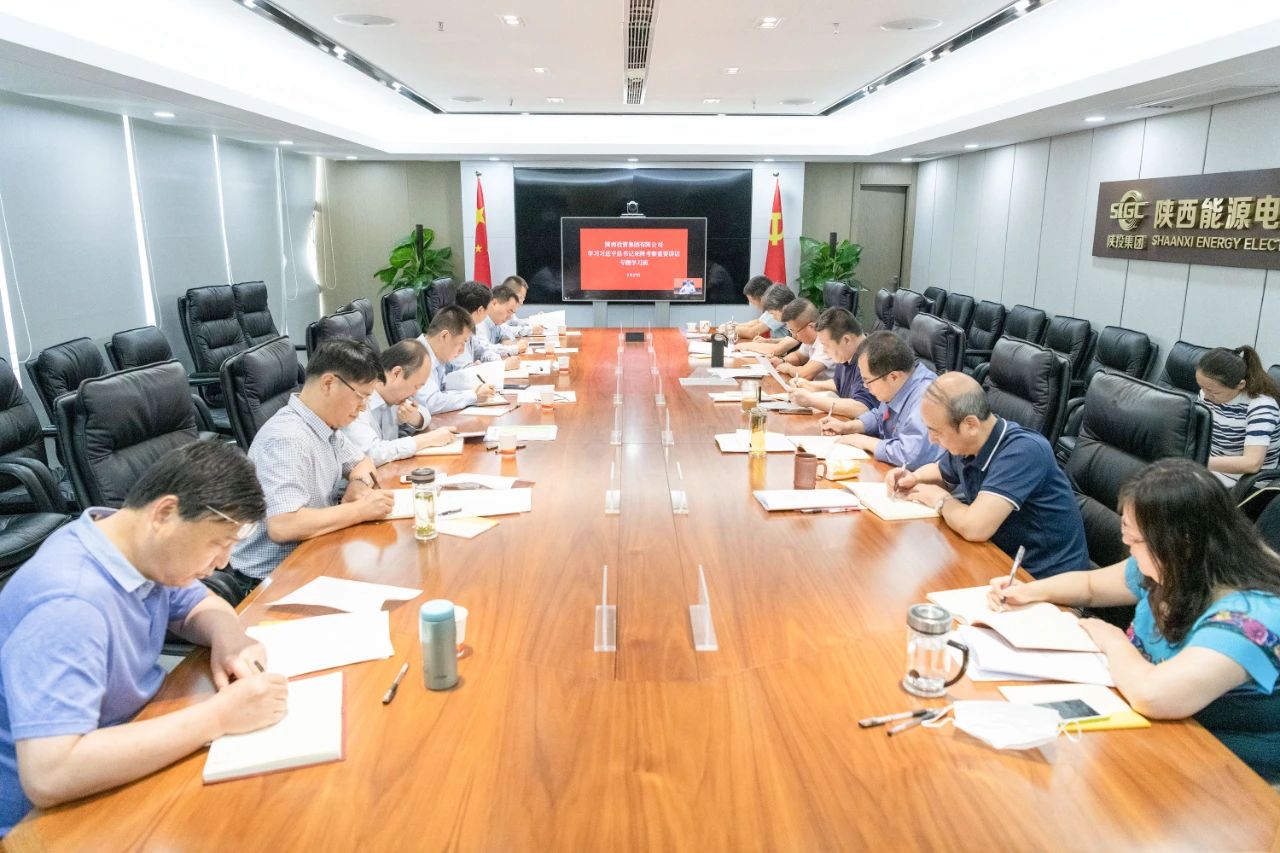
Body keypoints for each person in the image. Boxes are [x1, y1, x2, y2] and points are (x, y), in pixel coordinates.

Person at [0, 441, 288, 834]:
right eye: (218, 543)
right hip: (45, 822)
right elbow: (50, 774)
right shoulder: (71, 604)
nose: (223, 563)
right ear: (165, 513)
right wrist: (219, 716)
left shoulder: (129, 546)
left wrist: (229, 637)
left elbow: (199, 603)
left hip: (129, 740)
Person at [988, 459, 1279, 781]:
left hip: (1227, 771)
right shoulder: (1172, 565)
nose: (1128, 547)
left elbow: (1152, 694)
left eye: (1136, 540)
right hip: (1153, 733)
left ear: (1183, 541)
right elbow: (1090, 587)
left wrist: (1112, 641)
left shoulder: (1250, 618)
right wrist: (1028, 591)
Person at [227, 340, 395, 600]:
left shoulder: (324, 424)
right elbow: (283, 525)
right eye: (361, 396)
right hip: (270, 581)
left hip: (313, 555)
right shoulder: (287, 439)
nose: (363, 407)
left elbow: (362, 462)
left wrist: (358, 485)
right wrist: (359, 510)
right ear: (328, 383)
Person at [887, 372, 1088, 578]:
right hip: (998, 559)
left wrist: (940, 499)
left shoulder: (1023, 451)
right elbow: (941, 470)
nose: (931, 439)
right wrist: (914, 477)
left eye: (936, 431)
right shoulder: (968, 444)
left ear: (970, 425)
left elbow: (975, 527)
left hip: (1043, 579)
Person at [821, 330, 943, 468]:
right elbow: (880, 417)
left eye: (868, 381)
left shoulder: (926, 399)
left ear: (893, 377)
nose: (865, 387)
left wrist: (862, 441)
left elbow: (909, 455)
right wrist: (848, 427)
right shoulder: (897, 386)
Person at [342, 340, 457, 465]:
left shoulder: (395, 398)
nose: (414, 394)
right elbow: (372, 454)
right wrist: (425, 440)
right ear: (396, 373)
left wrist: (415, 418)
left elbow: (425, 414)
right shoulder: (357, 401)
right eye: (415, 386)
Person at [1195, 345, 1280, 487]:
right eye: (1201, 387)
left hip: (1246, 481)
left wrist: (1197, 460)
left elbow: (1252, 463)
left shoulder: (1261, 406)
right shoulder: (1206, 395)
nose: (1206, 396)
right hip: (1210, 470)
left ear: (1240, 385)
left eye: (1213, 391)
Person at [789, 308, 876, 419]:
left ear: (846, 340)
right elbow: (838, 383)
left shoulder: (871, 359)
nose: (824, 350)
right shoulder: (845, 354)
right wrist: (808, 385)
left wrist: (811, 400)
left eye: (826, 345)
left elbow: (862, 408)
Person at [415, 305, 499, 413]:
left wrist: (473, 389)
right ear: (444, 336)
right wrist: (473, 395)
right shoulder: (417, 357)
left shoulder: (436, 356)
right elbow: (431, 403)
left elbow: (442, 390)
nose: (462, 351)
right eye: (462, 343)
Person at [450, 281, 521, 372]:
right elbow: (463, 373)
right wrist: (503, 366)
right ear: (480, 310)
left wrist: (499, 360)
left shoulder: (469, 326)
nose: (489, 312)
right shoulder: (456, 332)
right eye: (489, 307)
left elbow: (481, 351)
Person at [773, 298, 837, 382]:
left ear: (811, 326)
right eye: (791, 331)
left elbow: (805, 374)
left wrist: (788, 368)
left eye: (795, 331)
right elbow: (798, 357)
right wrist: (782, 361)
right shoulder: (810, 340)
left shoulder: (826, 342)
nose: (794, 336)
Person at [736, 285, 798, 354]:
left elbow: (777, 349)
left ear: (784, 309)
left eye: (772, 313)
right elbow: (789, 339)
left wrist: (744, 346)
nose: (773, 318)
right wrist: (769, 341)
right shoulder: (792, 321)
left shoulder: (798, 323)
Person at [475, 284, 528, 359]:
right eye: (509, 311)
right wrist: (515, 349)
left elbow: (507, 333)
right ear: (494, 303)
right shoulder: (480, 322)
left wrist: (505, 339)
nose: (509, 318)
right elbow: (483, 349)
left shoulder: (496, 322)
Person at [721, 275, 780, 340]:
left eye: (752, 302)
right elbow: (758, 322)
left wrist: (729, 329)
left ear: (761, 297)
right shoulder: (773, 306)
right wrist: (736, 325)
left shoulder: (778, 309)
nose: (754, 306)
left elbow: (752, 333)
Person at [497, 275, 543, 340]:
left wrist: (536, 320)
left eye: (523, 298)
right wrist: (530, 330)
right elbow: (504, 329)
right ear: (508, 294)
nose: (521, 302)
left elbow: (516, 322)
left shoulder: (509, 309)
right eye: (520, 297)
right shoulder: (499, 309)